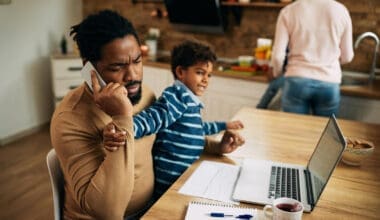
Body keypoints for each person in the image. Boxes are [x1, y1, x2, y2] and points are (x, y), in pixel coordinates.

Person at [50, 10, 245, 219]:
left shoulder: (145, 96)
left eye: (137, 61)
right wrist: (122, 117)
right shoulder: (71, 119)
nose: (133, 76)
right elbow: (108, 212)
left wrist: (216, 147)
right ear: (89, 68)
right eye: (117, 67)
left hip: (155, 207)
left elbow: (174, 136)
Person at [104, 40, 244, 199]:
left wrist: (224, 125)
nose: (206, 79)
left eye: (209, 75)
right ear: (180, 72)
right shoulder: (178, 95)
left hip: (184, 177)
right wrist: (125, 128)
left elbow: (196, 129)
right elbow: (153, 117)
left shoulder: (189, 100)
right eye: (199, 72)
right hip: (169, 182)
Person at [270, 0, 354, 116]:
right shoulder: (341, 11)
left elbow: (278, 56)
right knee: (325, 132)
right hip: (329, 82)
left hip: (296, 79)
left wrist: (277, 73)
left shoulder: (289, 11)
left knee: (294, 132)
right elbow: (348, 56)